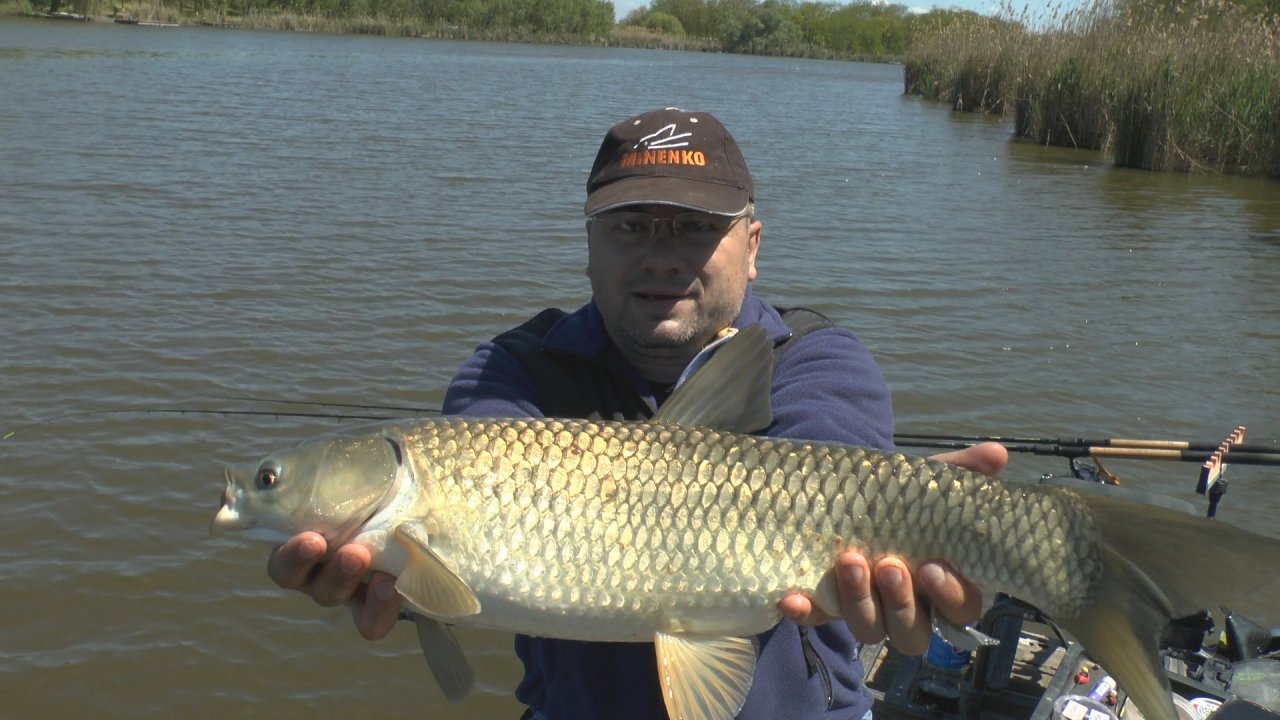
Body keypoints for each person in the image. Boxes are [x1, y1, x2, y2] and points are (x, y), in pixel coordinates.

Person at [267, 107, 1009, 718]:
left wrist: (942, 521)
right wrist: (402, 584)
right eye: (631, 228)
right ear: (587, 244)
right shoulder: (511, 374)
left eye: (692, 227)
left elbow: (831, 503)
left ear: (752, 246)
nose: (660, 256)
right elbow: (467, 556)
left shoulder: (819, 362)